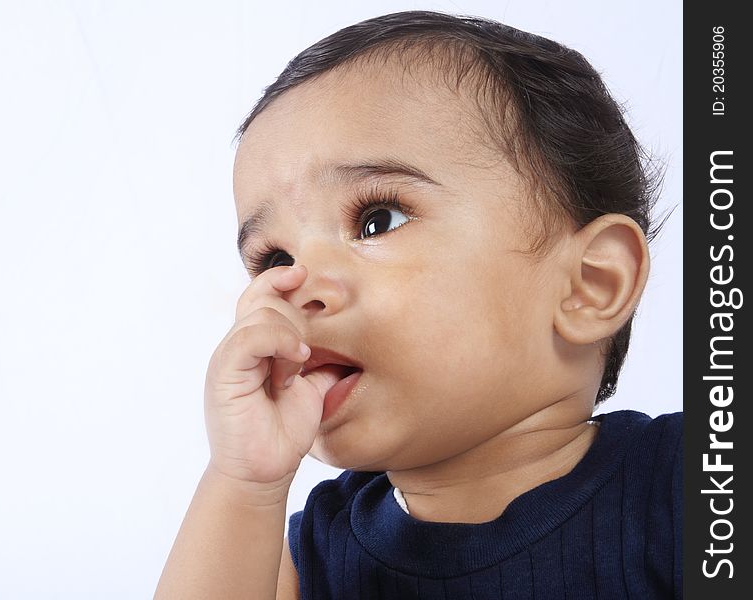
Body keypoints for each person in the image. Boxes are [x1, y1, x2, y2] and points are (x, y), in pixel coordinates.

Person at [154, 11, 681, 599]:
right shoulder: (313, 557)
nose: (297, 285)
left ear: (590, 284)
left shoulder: (690, 486)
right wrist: (244, 482)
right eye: (274, 259)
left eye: (377, 220)